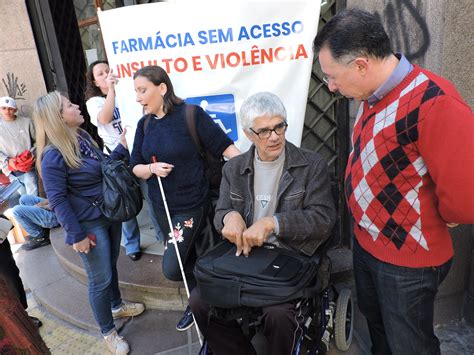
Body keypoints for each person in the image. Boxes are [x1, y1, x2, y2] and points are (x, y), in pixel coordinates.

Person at [313, 8, 474, 355]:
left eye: (333, 76)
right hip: (368, 244)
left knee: (409, 345)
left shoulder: (435, 102)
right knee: (379, 334)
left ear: (360, 65)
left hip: (408, 262)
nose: (331, 86)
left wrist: (440, 214)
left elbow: (466, 197)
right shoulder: (373, 94)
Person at [189, 92, 336, 354]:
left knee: (278, 314)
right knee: (200, 301)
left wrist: (273, 223)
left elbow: (323, 219)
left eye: (280, 126)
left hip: (290, 257)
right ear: (248, 134)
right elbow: (221, 210)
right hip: (246, 255)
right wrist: (228, 217)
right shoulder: (233, 169)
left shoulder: (311, 165)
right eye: (265, 131)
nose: (275, 136)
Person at [33, 91, 145, 355]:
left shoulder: (81, 137)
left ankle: (116, 306)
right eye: (69, 105)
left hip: (108, 213)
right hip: (88, 225)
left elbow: (104, 167)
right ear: (58, 117)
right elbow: (58, 201)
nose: (76, 106)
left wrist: (121, 145)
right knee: (100, 279)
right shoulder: (52, 156)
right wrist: (76, 236)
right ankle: (108, 332)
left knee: (110, 267)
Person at [130, 65, 240, 332]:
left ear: (162, 88)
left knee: (172, 267)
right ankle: (199, 304)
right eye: (135, 92)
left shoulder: (191, 115)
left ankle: (211, 297)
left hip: (191, 204)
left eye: (142, 90)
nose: (137, 97)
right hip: (161, 207)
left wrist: (252, 170)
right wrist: (151, 169)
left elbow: (226, 148)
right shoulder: (144, 125)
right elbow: (135, 165)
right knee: (186, 258)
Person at [85, 60, 143, 261]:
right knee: (124, 198)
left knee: (150, 196)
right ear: (94, 81)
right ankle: (132, 244)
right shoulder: (94, 102)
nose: (106, 74)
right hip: (116, 155)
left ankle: (163, 238)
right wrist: (111, 90)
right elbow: (104, 118)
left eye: (108, 70)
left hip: (137, 150)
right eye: (100, 74)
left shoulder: (128, 92)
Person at [0, 96, 38, 201]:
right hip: (10, 168)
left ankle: (34, 214)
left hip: (27, 165)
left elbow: (38, 142)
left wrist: (31, 154)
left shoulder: (26, 122)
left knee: (33, 192)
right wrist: (6, 160)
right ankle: (27, 215)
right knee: (22, 194)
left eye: (10, 108)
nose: (7, 111)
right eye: (3, 108)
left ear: (15, 110)